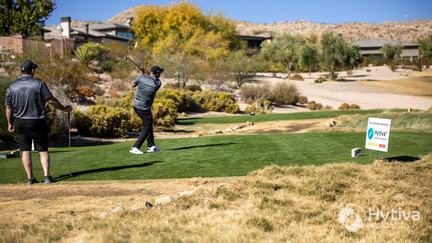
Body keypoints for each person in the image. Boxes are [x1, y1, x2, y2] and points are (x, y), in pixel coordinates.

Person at [5, 60, 72, 185]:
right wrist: (64, 108)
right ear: (32, 71)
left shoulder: (11, 86)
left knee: (25, 150)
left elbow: (8, 108)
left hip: (20, 121)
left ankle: (30, 179)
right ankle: (47, 177)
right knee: (43, 150)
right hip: (37, 121)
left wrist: (10, 122)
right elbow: (51, 101)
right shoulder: (39, 84)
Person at [129, 66, 164, 155]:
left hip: (136, 106)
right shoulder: (158, 83)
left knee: (148, 124)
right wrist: (144, 74)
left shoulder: (141, 78)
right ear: (156, 73)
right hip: (144, 108)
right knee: (147, 127)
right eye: (159, 73)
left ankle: (151, 146)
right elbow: (150, 80)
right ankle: (135, 147)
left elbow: (133, 85)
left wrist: (141, 74)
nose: (160, 74)